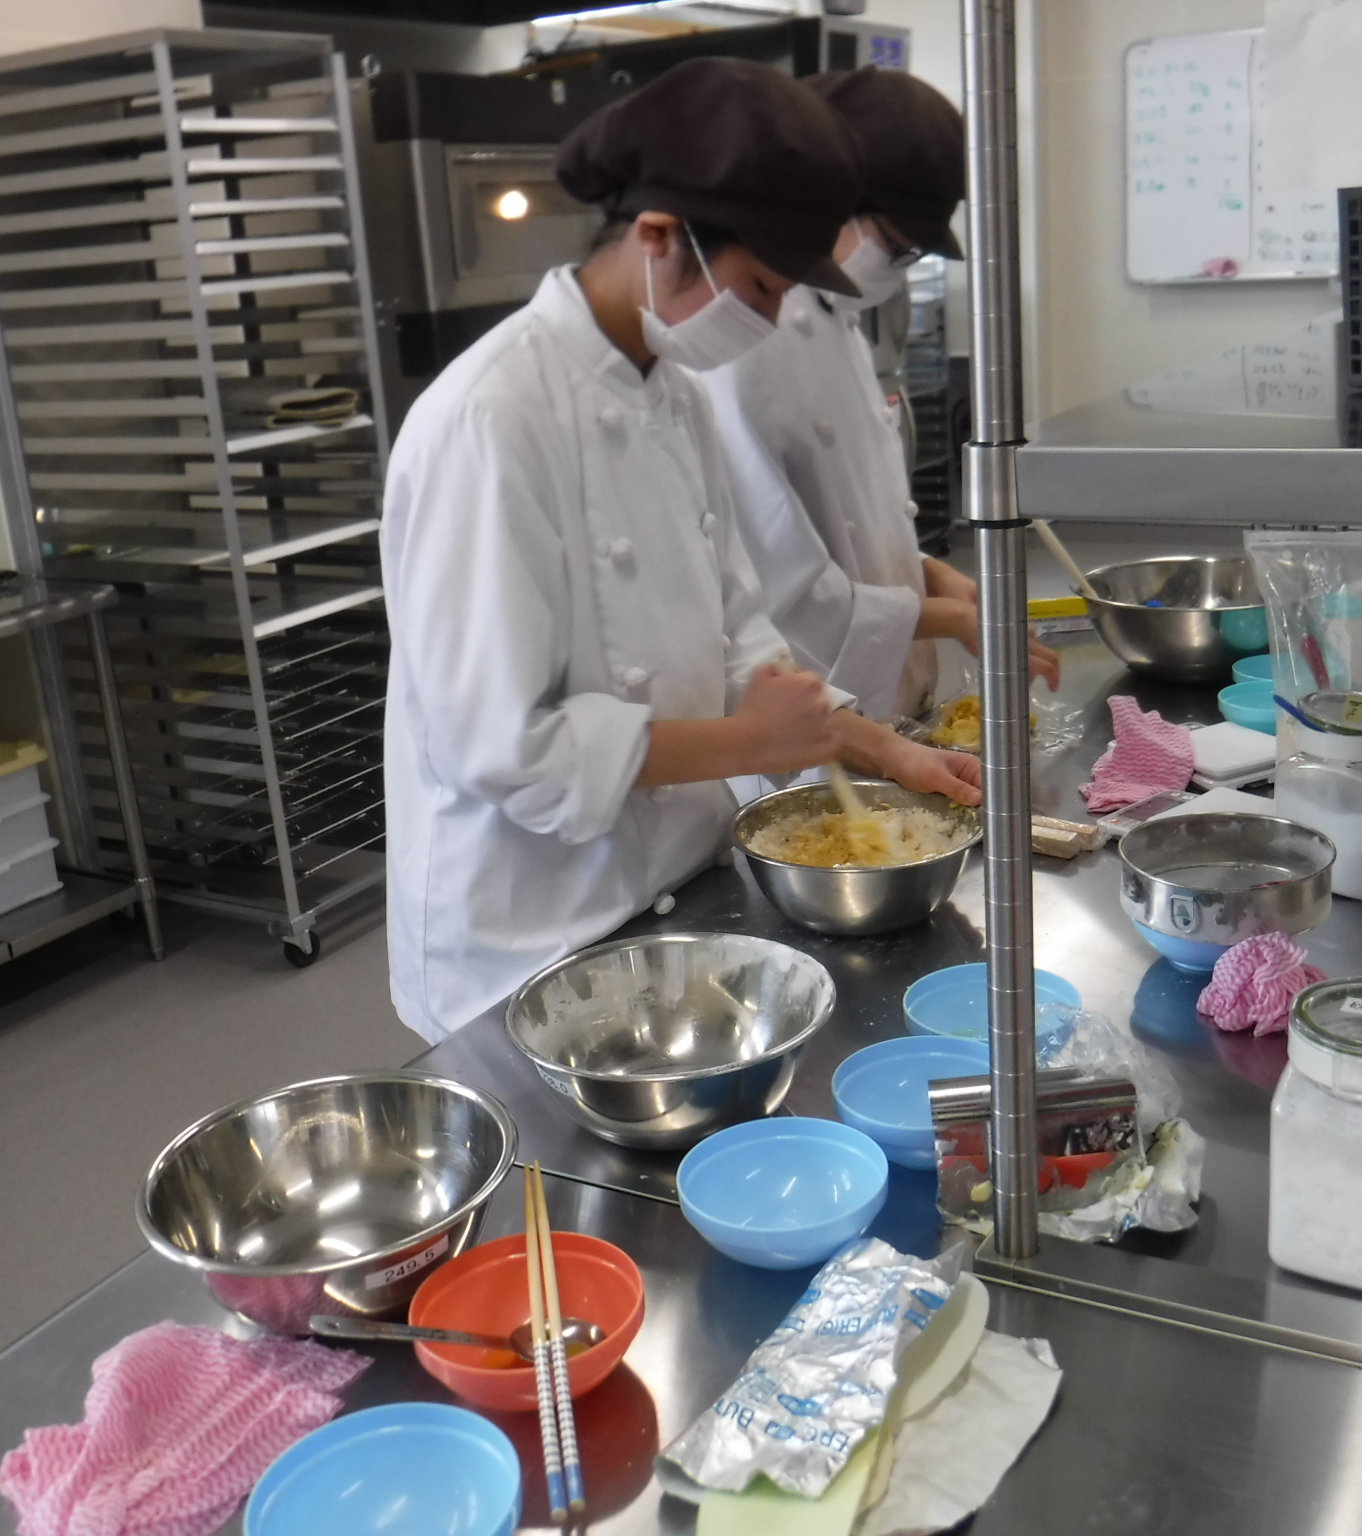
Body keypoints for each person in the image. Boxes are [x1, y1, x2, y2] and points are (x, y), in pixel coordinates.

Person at [377, 59, 983, 1042]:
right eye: (760, 286)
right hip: (526, 934)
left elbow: (744, 637)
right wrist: (749, 746)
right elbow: (502, 749)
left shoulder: (678, 400)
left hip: (670, 889)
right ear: (659, 237)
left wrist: (883, 750)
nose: (771, 318)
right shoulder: (489, 421)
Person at [702, 68, 1060, 723]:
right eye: (895, 246)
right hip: (811, 716)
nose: (897, 268)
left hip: (887, 698)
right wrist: (952, 619)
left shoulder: (835, 317)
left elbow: (850, 519)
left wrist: (932, 573)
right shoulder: (746, 346)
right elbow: (782, 585)